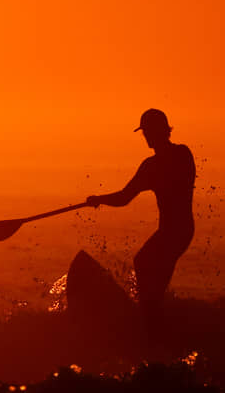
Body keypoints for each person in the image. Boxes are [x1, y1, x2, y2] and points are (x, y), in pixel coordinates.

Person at [82, 108, 195, 346]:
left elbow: (125, 197)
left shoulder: (166, 160)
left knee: (145, 263)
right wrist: (100, 199)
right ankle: (151, 317)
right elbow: (124, 198)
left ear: (162, 131)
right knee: (143, 262)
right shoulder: (172, 158)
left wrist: (99, 199)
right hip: (178, 230)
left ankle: (152, 327)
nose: (146, 137)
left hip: (177, 231)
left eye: (149, 132)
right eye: (145, 133)